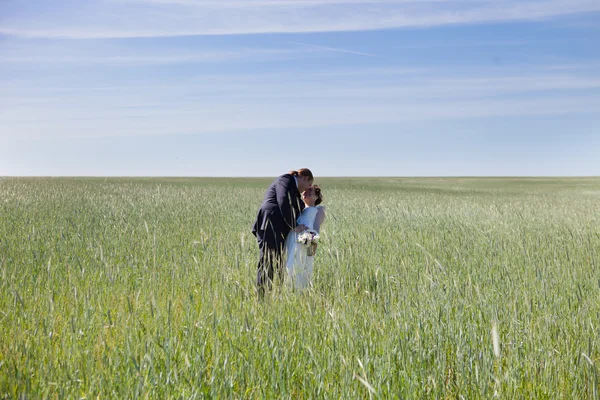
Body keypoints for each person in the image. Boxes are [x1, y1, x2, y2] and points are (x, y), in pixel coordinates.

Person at [252, 168, 314, 298]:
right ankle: (261, 297)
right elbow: (283, 200)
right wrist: (294, 225)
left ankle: (274, 294)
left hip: (278, 228)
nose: (305, 190)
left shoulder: (295, 190)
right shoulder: (286, 179)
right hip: (270, 224)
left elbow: (296, 207)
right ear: (305, 178)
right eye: (308, 185)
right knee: (267, 262)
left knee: (277, 263)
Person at [284, 185, 326, 290]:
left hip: (304, 242)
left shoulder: (319, 210)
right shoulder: (299, 208)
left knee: (300, 266)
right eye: (305, 190)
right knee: (288, 265)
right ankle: (288, 289)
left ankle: (300, 291)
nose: (305, 192)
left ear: (316, 196)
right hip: (292, 239)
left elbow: (316, 227)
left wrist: (313, 242)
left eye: (310, 190)